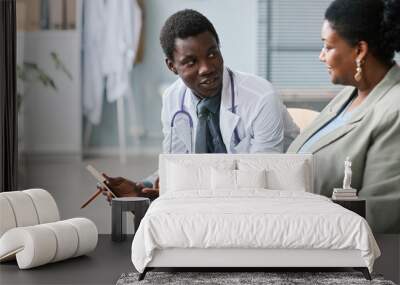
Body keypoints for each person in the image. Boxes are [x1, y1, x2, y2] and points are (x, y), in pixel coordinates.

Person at [101, 9, 299, 200]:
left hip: (278, 193)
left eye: (212, 54)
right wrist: (142, 187)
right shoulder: (172, 99)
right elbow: (177, 163)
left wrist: (184, 187)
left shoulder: (261, 97)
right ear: (172, 66)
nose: (207, 68)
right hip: (215, 196)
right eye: (191, 62)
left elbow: (259, 179)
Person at [288, 0, 400, 233]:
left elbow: (379, 211)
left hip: (336, 252)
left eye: (328, 47)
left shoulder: (394, 109)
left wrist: (301, 222)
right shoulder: (349, 95)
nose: (321, 56)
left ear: (359, 50)